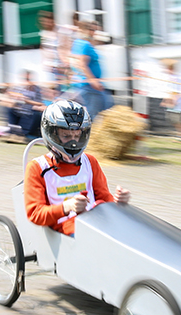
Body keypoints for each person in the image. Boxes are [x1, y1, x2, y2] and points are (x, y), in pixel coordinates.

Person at [24, 99, 130, 236]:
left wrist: (118, 202)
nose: (73, 142)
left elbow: (104, 199)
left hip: (96, 223)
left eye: (77, 135)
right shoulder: (37, 168)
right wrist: (66, 207)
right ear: (52, 133)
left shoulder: (90, 162)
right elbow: (35, 214)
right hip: (66, 229)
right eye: (66, 136)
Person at [71, 20, 113, 121]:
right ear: (85, 30)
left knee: (106, 106)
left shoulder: (79, 43)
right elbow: (82, 64)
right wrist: (93, 80)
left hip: (87, 84)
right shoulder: (84, 44)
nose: (94, 33)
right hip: (89, 86)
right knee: (94, 114)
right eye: (92, 30)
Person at [0, 69, 45, 141]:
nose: (27, 81)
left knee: (35, 113)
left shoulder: (36, 89)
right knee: (7, 107)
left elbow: (40, 103)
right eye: (25, 79)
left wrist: (27, 101)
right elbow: (5, 98)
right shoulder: (17, 87)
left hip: (28, 112)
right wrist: (12, 99)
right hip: (16, 110)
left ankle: (20, 134)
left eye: (29, 79)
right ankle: (12, 132)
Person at [160, 58, 181, 141]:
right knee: (175, 121)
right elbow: (168, 91)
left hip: (178, 103)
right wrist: (165, 101)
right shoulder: (169, 78)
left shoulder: (176, 78)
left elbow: (177, 92)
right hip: (172, 103)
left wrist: (174, 101)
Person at [38, 11, 63, 100]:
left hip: (60, 66)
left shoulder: (59, 32)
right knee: (52, 92)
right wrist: (44, 62)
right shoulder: (44, 33)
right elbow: (43, 47)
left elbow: (63, 47)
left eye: (48, 21)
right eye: (44, 22)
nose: (47, 24)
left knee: (61, 90)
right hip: (50, 66)